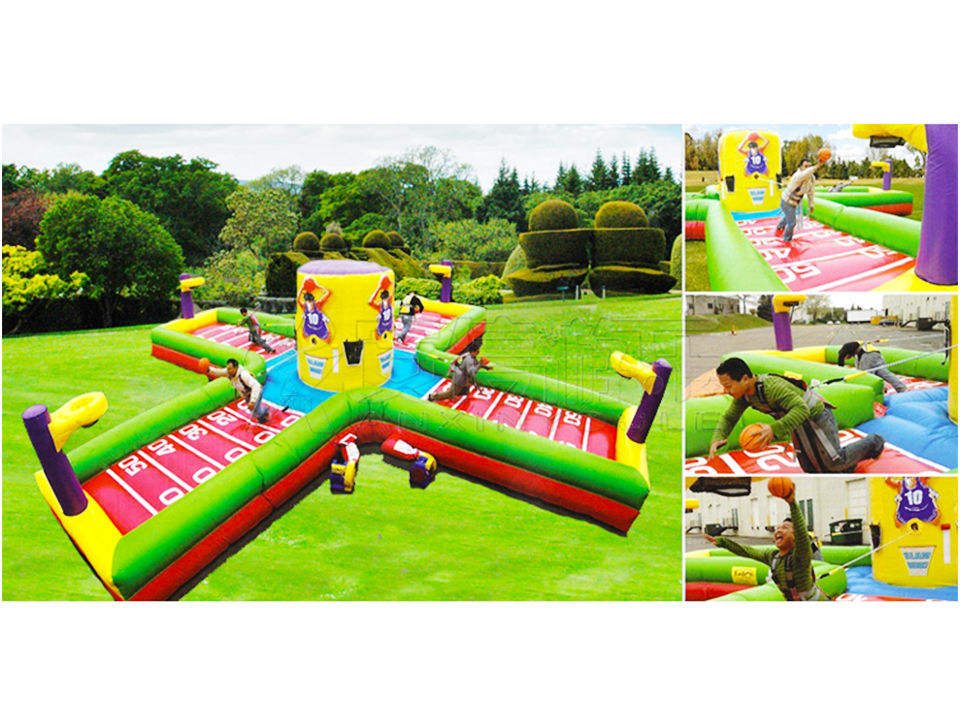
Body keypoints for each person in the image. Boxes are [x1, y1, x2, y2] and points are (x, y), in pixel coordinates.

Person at [709, 356, 884, 473]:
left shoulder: (771, 388)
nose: (726, 391)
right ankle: (848, 465)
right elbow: (729, 417)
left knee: (834, 461)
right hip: (798, 423)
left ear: (745, 379)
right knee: (808, 466)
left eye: (729, 386)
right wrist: (719, 436)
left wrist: (773, 429)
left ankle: (873, 441)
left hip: (817, 417)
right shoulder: (745, 396)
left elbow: (802, 409)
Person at [703, 486, 830, 601]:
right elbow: (747, 551)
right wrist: (722, 542)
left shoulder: (800, 557)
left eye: (785, 527)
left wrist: (792, 503)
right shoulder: (773, 557)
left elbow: (802, 533)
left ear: (795, 537)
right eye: (777, 528)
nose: (779, 530)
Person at [776, 158, 824, 242]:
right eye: (806, 166)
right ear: (800, 167)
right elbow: (806, 173)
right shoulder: (798, 176)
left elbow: (811, 192)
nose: (808, 168)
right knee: (792, 222)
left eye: (809, 166)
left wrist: (811, 204)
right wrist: (817, 166)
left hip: (794, 202)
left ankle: (780, 226)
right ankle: (787, 239)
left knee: (789, 216)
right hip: (786, 201)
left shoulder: (812, 178)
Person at [208, 358, 269, 423]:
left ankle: (265, 411)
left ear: (236, 368)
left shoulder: (243, 375)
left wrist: (253, 401)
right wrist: (209, 370)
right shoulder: (229, 371)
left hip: (256, 392)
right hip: (246, 394)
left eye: (230, 369)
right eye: (227, 368)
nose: (228, 371)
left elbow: (256, 386)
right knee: (253, 413)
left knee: (257, 412)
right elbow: (219, 372)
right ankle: (260, 415)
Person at [427, 341, 492, 402]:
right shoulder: (469, 360)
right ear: (473, 351)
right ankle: (432, 396)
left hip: (463, 376)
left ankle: (463, 393)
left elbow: (475, 363)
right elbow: (472, 372)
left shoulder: (470, 355)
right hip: (460, 378)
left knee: (465, 390)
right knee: (450, 394)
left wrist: (484, 367)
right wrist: (480, 364)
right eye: (477, 351)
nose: (478, 352)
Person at [837, 341, 907, 393]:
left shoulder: (862, 355)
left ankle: (878, 390)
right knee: (883, 372)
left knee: (866, 375)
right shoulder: (855, 350)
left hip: (869, 355)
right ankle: (902, 389)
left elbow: (863, 374)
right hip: (874, 354)